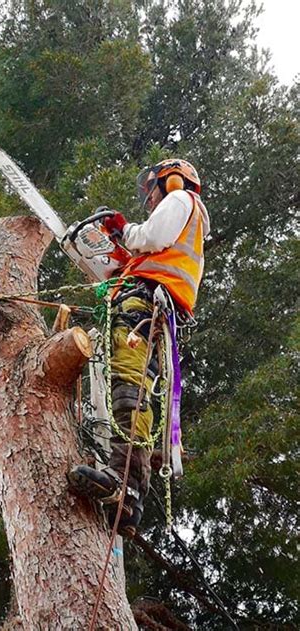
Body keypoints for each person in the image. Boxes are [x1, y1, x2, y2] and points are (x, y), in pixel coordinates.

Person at [68, 159, 211, 537]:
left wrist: (123, 229)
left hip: (145, 304)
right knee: (139, 390)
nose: (149, 199)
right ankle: (129, 494)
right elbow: (149, 250)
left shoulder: (180, 200)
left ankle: (124, 480)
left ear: (172, 179)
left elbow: (150, 236)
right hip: (153, 304)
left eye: (152, 189)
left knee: (130, 386)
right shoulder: (184, 228)